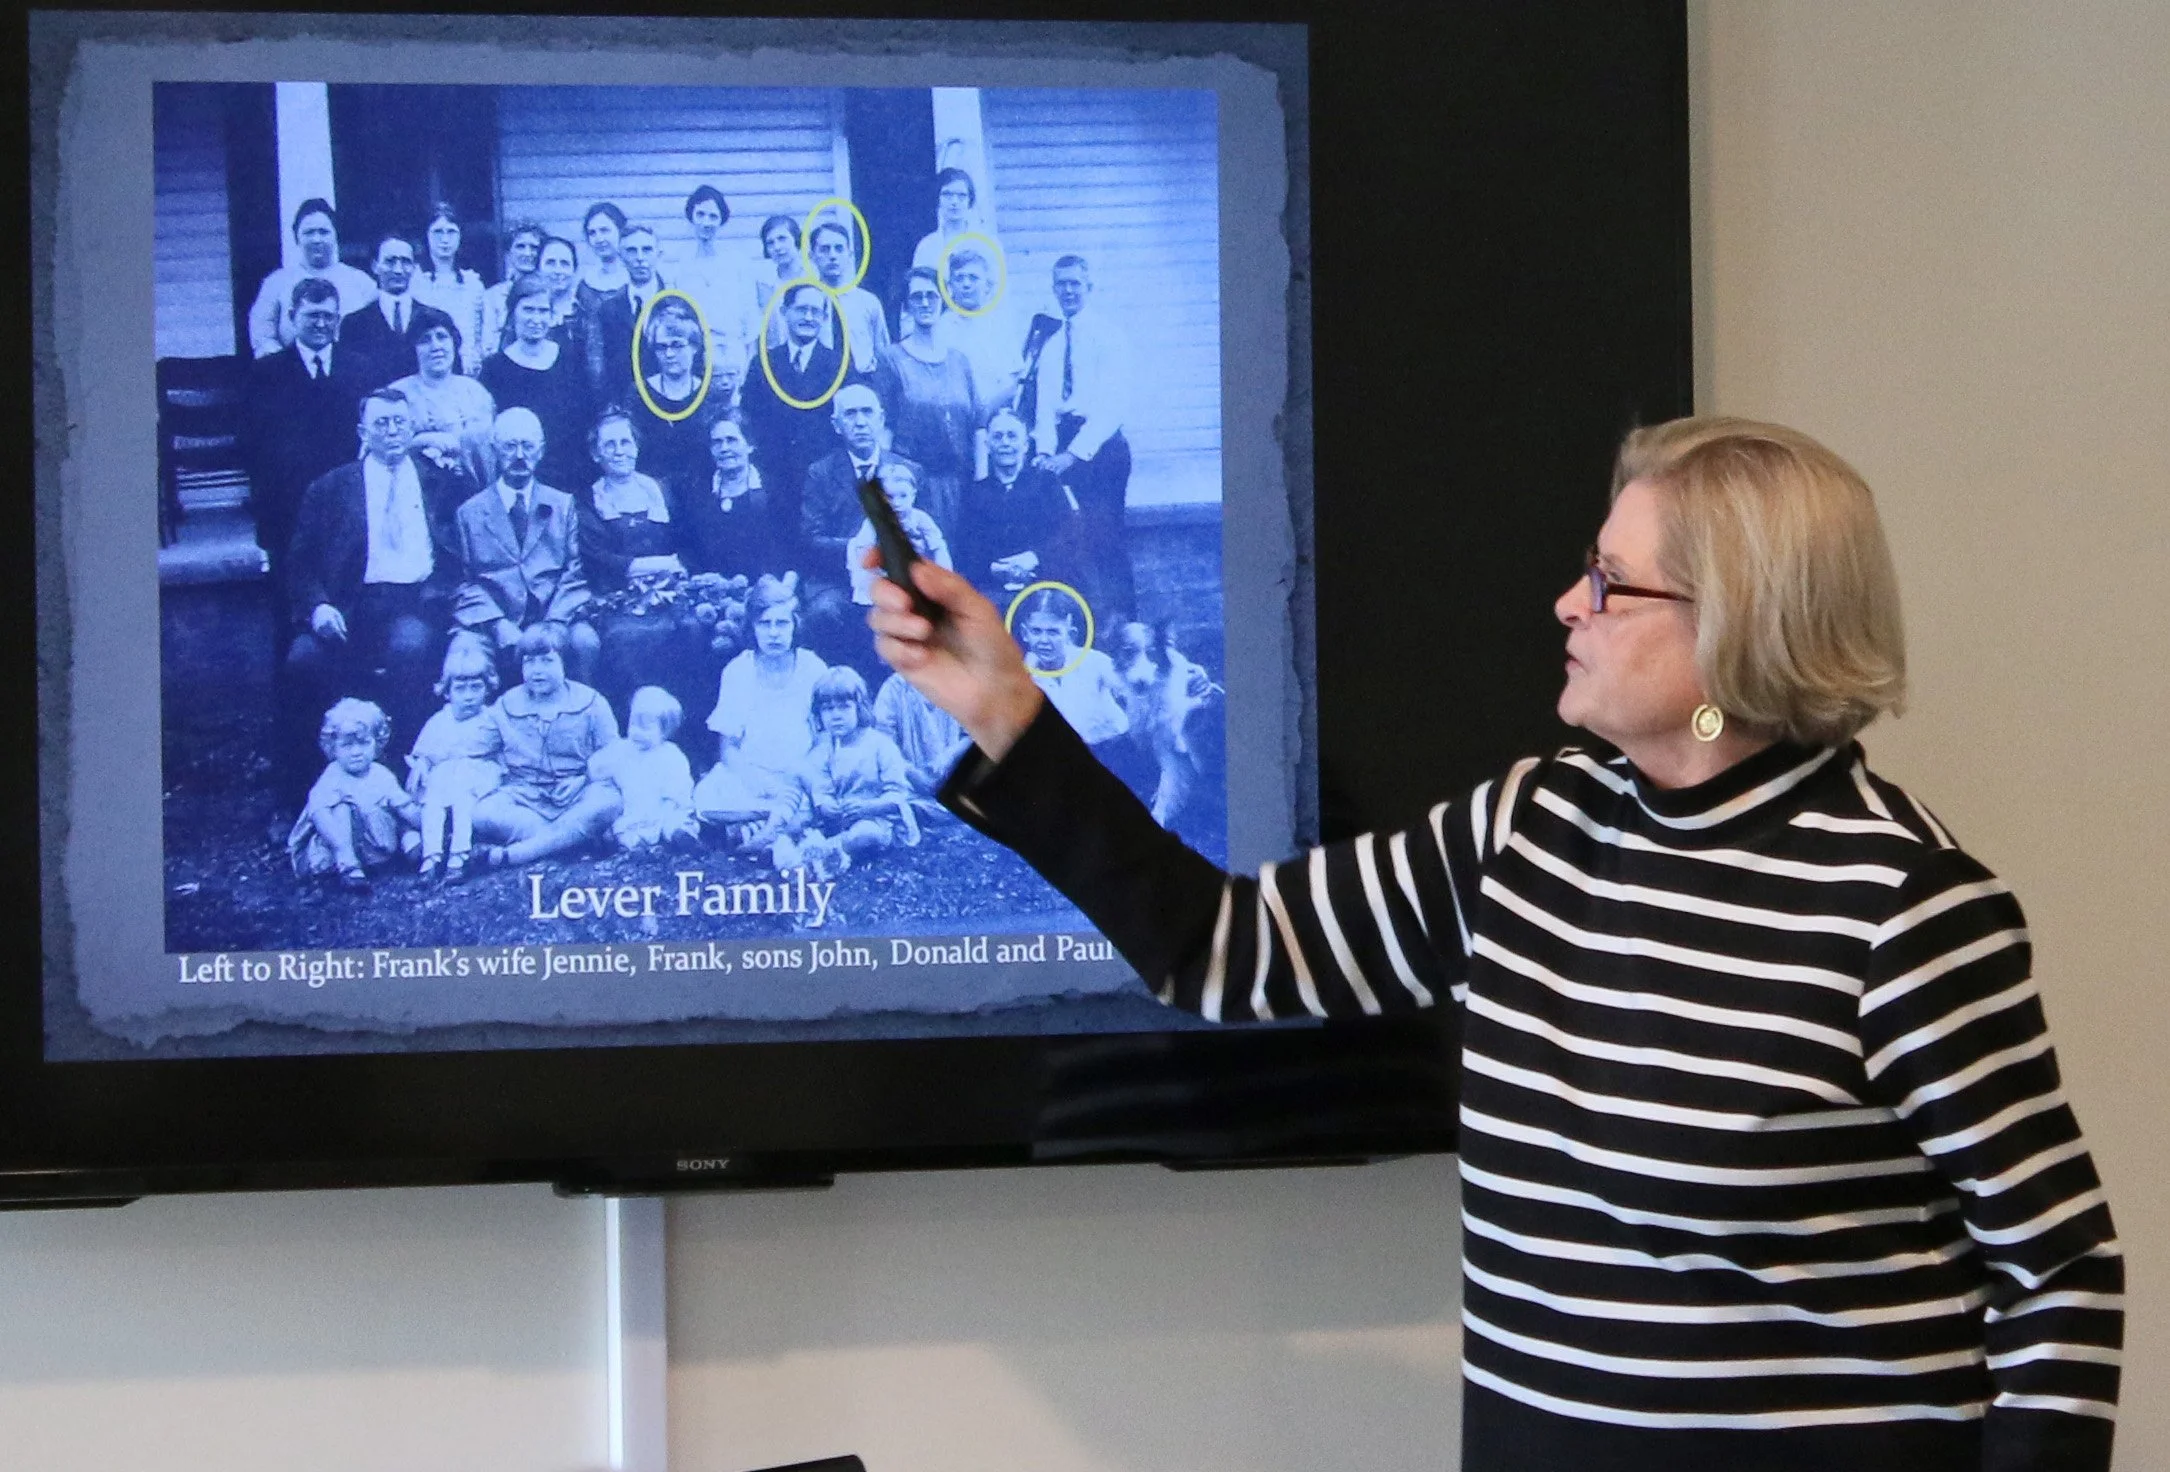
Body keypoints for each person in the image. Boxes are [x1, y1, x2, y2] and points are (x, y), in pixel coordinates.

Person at [866, 416, 2123, 1472]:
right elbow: (1225, 948)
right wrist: (1004, 706)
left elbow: (2060, 1268)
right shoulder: (1529, 821)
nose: (1565, 602)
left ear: (1735, 624)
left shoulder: (1903, 905)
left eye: (1611, 583)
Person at [281, 386, 471, 805]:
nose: (391, 432)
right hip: (348, 603)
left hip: (414, 602)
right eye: (381, 423)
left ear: (412, 427)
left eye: (399, 422)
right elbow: (300, 561)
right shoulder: (331, 488)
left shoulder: (438, 481)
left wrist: (438, 596)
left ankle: (404, 775)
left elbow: (458, 550)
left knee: (410, 648)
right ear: (362, 431)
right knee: (303, 661)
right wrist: (318, 607)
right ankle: (307, 791)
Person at [240, 277, 371, 614]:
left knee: (345, 594)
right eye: (312, 315)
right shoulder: (266, 373)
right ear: (293, 316)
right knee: (289, 601)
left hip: (345, 503)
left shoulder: (359, 368)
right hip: (288, 505)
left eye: (328, 316)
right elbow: (254, 447)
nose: (320, 324)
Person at [1027, 254, 1135, 619]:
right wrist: (1044, 451)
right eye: (1062, 284)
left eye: (1075, 283)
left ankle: (1124, 627)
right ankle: (1077, 622)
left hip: (1101, 449)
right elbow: (1044, 407)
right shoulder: (1053, 345)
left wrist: (1071, 455)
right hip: (1062, 446)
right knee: (1067, 542)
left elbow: (1113, 407)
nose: (1068, 291)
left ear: (1089, 287)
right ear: (1054, 289)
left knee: (1106, 541)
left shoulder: (1109, 336)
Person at [452, 408, 595, 679]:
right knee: (463, 651)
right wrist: (497, 624)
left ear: (540, 451)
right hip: (493, 621)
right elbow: (465, 582)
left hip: (553, 616)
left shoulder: (563, 505)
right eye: (510, 446)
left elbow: (575, 572)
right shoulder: (469, 513)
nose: (519, 456)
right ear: (494, 450)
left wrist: (554, 625)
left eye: (527, 446)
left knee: (584, 642)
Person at [471, 620, 622, 868]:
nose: (536, 670)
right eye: (529, 662)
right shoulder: (507, 705)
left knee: (608, 802)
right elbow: (477, 750)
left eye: (547, 661)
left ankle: (515, 854)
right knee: (483, 812)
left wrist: (585, 778)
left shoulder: (591, 702)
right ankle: (572, 842)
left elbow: (613, 754)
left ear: (565, 664)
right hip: (525, 797)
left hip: (578, 792)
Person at [692, 572, 828, 840]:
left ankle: (754, 829)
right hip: (751, 773)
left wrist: (800, 774)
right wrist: (753, 780)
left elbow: (824, 738)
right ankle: (770, 823)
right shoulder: (738, 670)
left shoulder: (812, 667)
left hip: (799, 773)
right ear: (752, 628)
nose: (774, 633)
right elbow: (728, 745)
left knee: (810, 801)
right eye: (765, 624)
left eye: (782, 623)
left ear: (795, 626)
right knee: (706, 801)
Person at [873, 265, 983, 532]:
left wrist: (982, 482)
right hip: (913, 490)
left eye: (932, 296)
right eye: (916, 297)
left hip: (962, 486)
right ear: (907, 305)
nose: (925, 303)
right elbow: (883, 429)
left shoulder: (959, 361)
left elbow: (978, 425)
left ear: (943, 300)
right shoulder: (891, 359)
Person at [742, 282, 855, 542]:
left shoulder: (839, 362)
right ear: (785, 312)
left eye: (816, 312)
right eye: (801, 309)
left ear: (825, 318)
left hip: (823, 476)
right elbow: (749, 416)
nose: (808, 317)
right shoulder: (765, 361)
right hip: (775, 475)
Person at [782, 665, 916, 879]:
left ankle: (821, 852)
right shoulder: (825, 749)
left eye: (843, 707)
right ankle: (801, 851)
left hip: (877, 819)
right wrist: (825, 804)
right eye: (827, 709)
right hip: (838, 820)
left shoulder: (880, 745)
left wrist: (868, 807)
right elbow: (821, 786)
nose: (836, 716)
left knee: (865, 834)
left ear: (859, 707)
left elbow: (899, 794)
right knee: (796, 821)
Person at [477, 272, 594, 497]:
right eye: (528, 309)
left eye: (543, 311)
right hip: (522, 480)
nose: (536, 319)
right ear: (512, 313)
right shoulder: (495, 369)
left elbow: (586, 419)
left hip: (573, 479)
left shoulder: (572, 358)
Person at [288, 697, 420, 891]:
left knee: (398, 808)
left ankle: (413, 843)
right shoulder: (333, 774)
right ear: (333, 747)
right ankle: (348, 868)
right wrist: (341, 849)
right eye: (347, 746)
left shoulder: (380, 774)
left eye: (364, 743)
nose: (356, 752)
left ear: (376, 743)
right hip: (336, 845)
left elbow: (403, 806)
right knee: (340, 808)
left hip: (375, 846)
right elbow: (318, 811)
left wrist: (425, 822)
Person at [404, 632, 504, 885]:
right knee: (432, 801)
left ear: (488, 688)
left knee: (462, 798)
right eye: (460, 689)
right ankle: (431, 857)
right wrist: (422, 765)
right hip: (445, 774)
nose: (469, 696)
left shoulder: (491, 718)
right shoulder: (440, 720)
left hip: (479, 772)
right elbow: (425, 753)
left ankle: (459, 857)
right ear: (447, 692)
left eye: (476, 688)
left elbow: (507, 748)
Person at [1011, 586, 1137, 785]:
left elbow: (1134, 690)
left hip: (1111, 753)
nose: (1044, 641)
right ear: (1025, 633)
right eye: (1036, 631)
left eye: (1053, 632)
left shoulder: (1094, 662)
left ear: (1070, 633)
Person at [954, 408, 1076, 604]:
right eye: (998, 437)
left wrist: (1034, 558)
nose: (1005, 443)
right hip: (991, 589)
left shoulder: (1046, 484)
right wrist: (992, 567)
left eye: (1012, 436)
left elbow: (1069, 535)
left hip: (1042, 584)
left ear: (1026, 444)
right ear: (988, 445)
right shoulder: (975, 492)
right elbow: (965, 548)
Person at [1110, 620, 1217, 829]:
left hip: (1179, 745)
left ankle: (1159, 813)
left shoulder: (1177, 673)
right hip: (1152, 743)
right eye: (1130, 651)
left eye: (1150, 652)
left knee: (1171, 752)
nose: (1141, 666)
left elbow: (1169, 756)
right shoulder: (1115, 674)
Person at [246, 198, 376, 357]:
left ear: (335, 235)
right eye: (309, 232)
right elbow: (262, 337)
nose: (317, 239)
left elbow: (377, 333)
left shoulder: (361, 282)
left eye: (323, 232)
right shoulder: (276, 283)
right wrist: (289, 365)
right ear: (297, 237)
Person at [391, 304, 496, 486]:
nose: (436, 346)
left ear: (453, 342)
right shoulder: (399, 394)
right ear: (413, 349)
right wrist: (422, 441)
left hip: (471, 488)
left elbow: (488, 454)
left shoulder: (475, 392)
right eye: (425, 340)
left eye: (442, 337)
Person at [588, 685, 698, 851]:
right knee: (624, 829)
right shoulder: (621, 750)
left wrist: (669, 807)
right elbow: (596, 767)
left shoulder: (671, 755)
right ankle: (636, 847)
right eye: (633, 725)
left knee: (675, 821)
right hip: (633, 809)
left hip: (664, 806)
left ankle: (680, 837)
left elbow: (678, 788)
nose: (637, 733)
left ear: (664, 732)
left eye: (645, 728)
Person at [674, 413, 774, 582]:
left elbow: (786, 549)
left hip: (765, 586)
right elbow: (689, 549)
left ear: (750, 445)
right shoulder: (697, 493)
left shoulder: (772, 490)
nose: (724, 448)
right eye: (717, 442)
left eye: (732, 440)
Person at [933, 242, 1025, 415]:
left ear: (987, 285)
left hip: (996, 414)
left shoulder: (1001, 324)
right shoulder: (941, 328)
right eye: (959, 278)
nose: (966, 284)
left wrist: (985, 410)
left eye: (973, 278)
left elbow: (1013, 382)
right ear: (951, 286)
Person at [631, 300, 713, 491]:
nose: (669, 354)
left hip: (702, 488)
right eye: (661, 347)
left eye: (677, 345)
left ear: (694, 347)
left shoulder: (709, 394)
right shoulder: (638, 394)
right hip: (652, 489)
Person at [671, 184, 756, 367]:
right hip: (695, 350)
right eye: (700, 215)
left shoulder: (737, 262)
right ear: (691, 217)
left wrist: (749, 360)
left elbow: (751, 315)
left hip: (732, 348)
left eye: (713, 217)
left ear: (721, 221)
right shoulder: (681, 265)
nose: (706, 223)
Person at [845, 460, 952, 606]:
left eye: (903, 496)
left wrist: (944, 579)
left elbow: (938, 546)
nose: (897, 503)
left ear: (913, 495)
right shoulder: (874, 522)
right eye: (889, 497)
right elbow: (863, 549)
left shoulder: (920, 519)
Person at [338, 232, 425, 391]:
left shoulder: (433, 320)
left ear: (414, 267)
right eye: (390, 262)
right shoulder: (353, 324)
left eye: (405, 262)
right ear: (375, 266)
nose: (398, 270)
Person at [410, 203, 488, 374]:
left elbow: (478, 334)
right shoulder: (414, 281)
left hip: (466, 368)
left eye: (451, 232)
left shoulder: (472, 283)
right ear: (426, 235)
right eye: (438, 232)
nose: (445, 240)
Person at [807, 217, 890, 375]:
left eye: (839, 249)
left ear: (849, 254)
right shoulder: (807, 303)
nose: (832, 256)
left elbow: (882, 352)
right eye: (825, 249)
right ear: (812, 255)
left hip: (862, 381)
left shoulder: (868, 302)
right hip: (819, 385)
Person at [872, 670, 969, 805]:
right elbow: (883, 743)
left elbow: (971, 736)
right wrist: (912, 773)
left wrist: (948, 758)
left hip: (952, 780)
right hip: (907, 784)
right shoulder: (894, 688)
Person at [479, 221, 545, 357]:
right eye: (521, 246)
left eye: (534, 248)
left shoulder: (548, 292)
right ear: (509, 252)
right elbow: (488, 343)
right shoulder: (493, 296)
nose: (528, 253)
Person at [911, 166, 988, 273]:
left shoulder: (985, 244)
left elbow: (999, 285)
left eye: (961, 195)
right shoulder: (926, 247)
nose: (954, 202)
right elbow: (920, 285)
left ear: (969, 201)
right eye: (947, 194)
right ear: (938, 199)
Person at [753, 213, 810, 346]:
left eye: (782, 239)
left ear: (796, 240)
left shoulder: (813, 279)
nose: (777, 247)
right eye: (770, 243)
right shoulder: (764, 286)